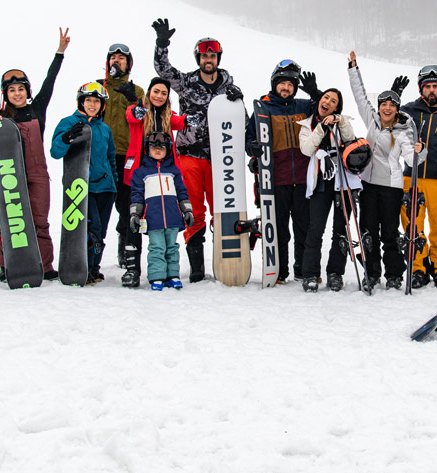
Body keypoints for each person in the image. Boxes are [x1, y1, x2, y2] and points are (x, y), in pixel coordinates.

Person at [152, 18, 242, 282]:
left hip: (220, 157)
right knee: (194, 209)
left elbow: (241, 118)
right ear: (198, 59)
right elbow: (163, 70)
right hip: (190, 154)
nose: (208, 59)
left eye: (212, 55)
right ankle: (197, 267)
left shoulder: (229, 87)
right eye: (204, 55)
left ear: (218, 58)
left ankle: (226, 259)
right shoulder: (187, 82)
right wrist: (161, 44)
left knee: (222, 208)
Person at [0, 27, 70, 281]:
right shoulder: (0, 120)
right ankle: (7, 263)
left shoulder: (37, 109)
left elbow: (49, 81)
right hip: (11, 176)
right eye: (12, 91)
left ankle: (45, 266)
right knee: (10, 222)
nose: (17, 94)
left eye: (21, 89)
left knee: (39, 221)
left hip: (38, 174)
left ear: (27, 91)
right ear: (5, 95)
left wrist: (60, 52)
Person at [347, 51, 425, 290]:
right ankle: (372, 273)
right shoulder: (371, 119)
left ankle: (394, 274)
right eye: (383, 104)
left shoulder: (404, 129)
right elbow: (360, 96)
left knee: (390, 233)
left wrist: (420, 151)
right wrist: (353, 68)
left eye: (392, 105)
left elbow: (413, 161)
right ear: (379, 107)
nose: (387, 108)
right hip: (368, 185)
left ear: (397, 108)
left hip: (391, 187)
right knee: (369, 232)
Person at [245, 59, 319, 283]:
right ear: (274, 83)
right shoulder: (264, 108)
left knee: (303, 227)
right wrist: (252, 148)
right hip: (276, 179)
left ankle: (302, 270)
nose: (286, 88)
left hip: (304, 178)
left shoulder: (304, 107)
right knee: (278, 229)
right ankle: (279, 271)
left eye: (291, 85)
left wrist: (316, 93)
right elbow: (249, 138)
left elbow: (329, 108)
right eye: (282, 83)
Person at [400, 65, 437, 289]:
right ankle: (417, 267)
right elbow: (386, 114)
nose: (432, 91)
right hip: (412, 177)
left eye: (436, 86)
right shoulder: (408, 111)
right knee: (412, 226)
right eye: (428, 87)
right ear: (420, 89)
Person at [121, 77, 186, 287]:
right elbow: (131, 116)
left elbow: (178, 121)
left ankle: (166, 271)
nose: (159, 96)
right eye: (156, 91)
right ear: (149, 92)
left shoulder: (168, 114)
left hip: (162, 175)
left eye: (164, 93)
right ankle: (132, 270)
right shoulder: (140, 109)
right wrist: (137, 106)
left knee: (161, 223)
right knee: (133, 219)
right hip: (139, 173)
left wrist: (189, 119)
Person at [50, 83, 118, 284]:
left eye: (97, 101)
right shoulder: (68, 122)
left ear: (102, 105)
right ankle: (83, 268)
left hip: (105, 188)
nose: (92, 104)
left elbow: (111, 157)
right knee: (91, 228)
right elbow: (55, 152)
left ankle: (94, 268)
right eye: (88, 100)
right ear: (81, 101)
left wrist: (114, 183)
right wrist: (65, 138)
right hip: (81, 187)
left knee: (101, 230)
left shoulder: (105, 129)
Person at [297, 87, 361, 292]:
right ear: (319, 101)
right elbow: (307, 149)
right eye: (326, 98)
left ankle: (335, 273)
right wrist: (321, 129)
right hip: (320, 183)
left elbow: (350, 139)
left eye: (334, 101)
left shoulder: (341, 123)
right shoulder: (307, 124)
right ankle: (310, 274)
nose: (328, 102)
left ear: (337, 107)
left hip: (343, 182)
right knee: (315, 229)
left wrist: (340, 122)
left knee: (341, 231)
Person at [96, 43, 145, 277]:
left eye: (121, 58)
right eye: (113, 57)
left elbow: (143, 117)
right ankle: (92, 250)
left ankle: (125, 248)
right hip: (101, 156)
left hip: (127, 155)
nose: (117, 61)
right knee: (100, 203)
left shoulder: (137, 90)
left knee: (126, 205)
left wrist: (133, 97)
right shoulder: (98, 87)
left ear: (129, 64)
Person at [129, 131, 194, 290]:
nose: (157, 150)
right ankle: (157, 276)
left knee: (172, 247)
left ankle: (173, 275)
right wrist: (135, 214)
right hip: (153, 218)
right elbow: (137, 195)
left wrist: (187, 211)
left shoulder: (174, 172)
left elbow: (182, 193)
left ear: (168, 149)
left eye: (162, 148)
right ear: (147, 149)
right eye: (153, 147)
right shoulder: (141, 173)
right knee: (157, 248)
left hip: (172, 217)